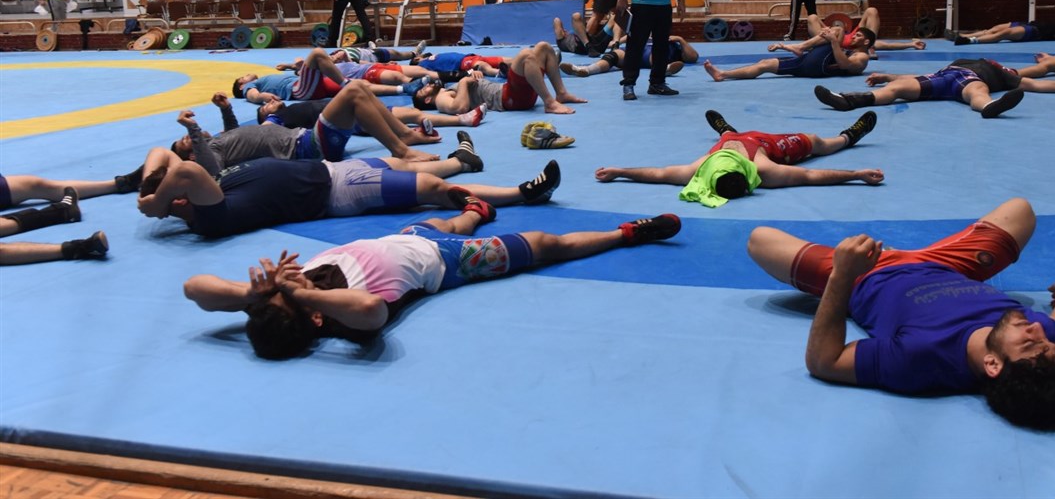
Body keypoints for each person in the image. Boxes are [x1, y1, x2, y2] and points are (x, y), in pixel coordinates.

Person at [746, 197, 1055, 430]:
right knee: (1021, 209)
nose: (1037, 329)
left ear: (993, 365)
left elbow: (824, 362)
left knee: (759, 240)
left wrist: (842, 274)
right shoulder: (1048, 349)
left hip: (869, 274)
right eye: (1048, 341)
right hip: (947, 264)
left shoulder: (921, 359)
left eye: (1029, 342)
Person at [181, 209, 681, 359]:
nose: (281, 286)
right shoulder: (341, 318)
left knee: (449, 221)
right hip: (449, 262)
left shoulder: (272, 302)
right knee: (547, 243)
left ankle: (474, 210)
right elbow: (372, 312)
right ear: (314, 317)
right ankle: (627, 234)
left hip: (407, 237)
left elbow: (193, 288)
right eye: (282, 295)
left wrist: (250, 295)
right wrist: (304, 292)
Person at [136, 146, 563, 239]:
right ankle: (524, 193)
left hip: (330, 171)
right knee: (434, 189)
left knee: (407, 167)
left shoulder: (202, 194)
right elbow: (185, 169)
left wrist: (149, 194)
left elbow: (163, 156)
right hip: (338, 192)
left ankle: (461, 159)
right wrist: (155, 203)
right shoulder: (211, 217)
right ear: (180, 199)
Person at [595, 109, 883, 206]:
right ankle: (849, 136)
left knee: (728, 137)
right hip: (766, 145)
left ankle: (725, 130)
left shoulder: (699, 169)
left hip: (734, 139)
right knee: (817, 142)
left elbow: (658, 174)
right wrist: (856, 175)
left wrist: (620, 171)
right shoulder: (764, 170)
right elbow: (810, 175)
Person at [170, 85, 444, 174]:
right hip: (308, 148)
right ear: (193, 155)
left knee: (359, 86)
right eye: (185, 141)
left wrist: (225, 108)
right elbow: (211, 168)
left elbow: (231, 133)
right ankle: (401, 150)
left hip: (307, 141)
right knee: (352, 92)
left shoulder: (219, 143)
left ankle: (404, 135)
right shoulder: (212, 157)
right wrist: (192, 129)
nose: (187, 136)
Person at [814, 57, 1055, 118]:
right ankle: (849, 100)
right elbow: (919, 73)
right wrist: (888, 75)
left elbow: (1035, 85)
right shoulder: (960, 61)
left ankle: (989, 107)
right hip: (943, 75)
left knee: (977, 93)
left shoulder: (1006, 74)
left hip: (968, 79)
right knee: (899, 87)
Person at [412, 42, 587, 115]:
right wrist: (465, 82)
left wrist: (470, 77)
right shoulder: (440, 99)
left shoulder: (446, 90)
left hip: (512, 92)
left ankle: (561, 93)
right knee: (526, 55)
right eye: (423, 91)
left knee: (544, 47)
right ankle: (549, 103)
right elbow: (459, 107)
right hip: (508, 98)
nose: (425, 86)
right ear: (427, 99)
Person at [703, 25, 875, 82]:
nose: (853, 37)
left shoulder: (862, 57)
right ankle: (722, 74)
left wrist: (833, 41)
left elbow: (844, 65)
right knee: (765, 64)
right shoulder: (847, 50)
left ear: (866, 42)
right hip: (807, 64)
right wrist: (783, 47)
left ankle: (800, 46)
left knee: (838, 30)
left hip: (819, 68)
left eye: (858, 36)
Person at [256, 96, 486, 131]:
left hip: (352, 110)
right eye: (266, 105)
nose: (270, 101)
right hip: (351, 118)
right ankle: (462, 120)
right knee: (412, 117)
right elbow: (262, 134)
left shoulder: (290, 109)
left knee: (413, 113)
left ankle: (418, 131)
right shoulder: (276, 120)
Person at [233, 48, 355, 104]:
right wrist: (261, 97)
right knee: (317, 53)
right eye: (243, 78)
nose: (246, 75)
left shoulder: (261, 81)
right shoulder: (250, 86)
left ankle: (350, 83)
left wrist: (289, 66)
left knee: (358, 86)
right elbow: (252, 95)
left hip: (311, 86)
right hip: (299, 89)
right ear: (241, 86)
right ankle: (345, 83)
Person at [561, 34, 698, 77]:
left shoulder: (673, 43)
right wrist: (618, 42)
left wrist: (680, 39)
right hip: (633, 53)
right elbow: (630, 35)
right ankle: (586, 70)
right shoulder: (646, 33)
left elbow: (693, 57)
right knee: (614, 54)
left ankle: (664, 69)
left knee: (657, 51)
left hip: (652, 57)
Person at [952, 17, 1055, 45]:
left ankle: (970, 40)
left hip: (1039, 32)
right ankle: (962, 35)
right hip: (1034, 24)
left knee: (1004, 34)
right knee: (996, 28)